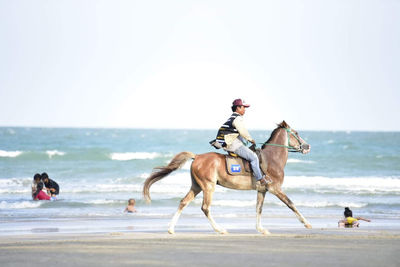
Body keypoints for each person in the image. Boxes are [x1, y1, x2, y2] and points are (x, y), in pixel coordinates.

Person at [212, 98, 271, 189]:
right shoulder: (238, 118)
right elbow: (243, 132)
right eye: (243, 107)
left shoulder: (232, 118)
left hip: (229, 142)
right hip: (232, 144)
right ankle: (260, 179)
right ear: (238, 108)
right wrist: (251, 139)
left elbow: (236, 134)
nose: (245, 110)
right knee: (254, 157)